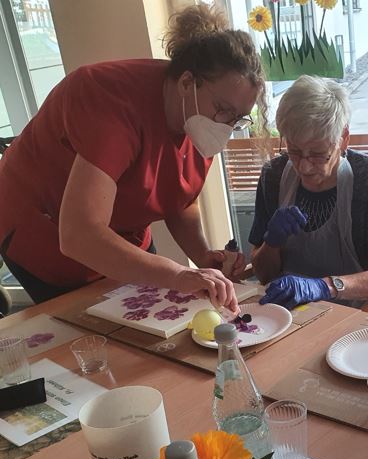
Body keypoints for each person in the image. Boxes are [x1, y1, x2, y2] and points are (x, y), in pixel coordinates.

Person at [0, 4, 265, 309]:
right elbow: (79, 235)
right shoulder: (110, 100)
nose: (227, 125)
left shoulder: (199, 116)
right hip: (42, 227)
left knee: (154, 316)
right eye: (224, 110)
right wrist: (178, 274)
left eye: (238, 118)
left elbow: (180, 199)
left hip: (120, 230)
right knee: (94, 338)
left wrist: (204, 257)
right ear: (186, 83)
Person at [249, 75, 368, 310]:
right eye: (295, 151)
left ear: (343, 139)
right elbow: (263, 275)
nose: (304, 166)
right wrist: (271, 243)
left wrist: (325, 287)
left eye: (318, 153)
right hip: (287, 311)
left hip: (355, 311)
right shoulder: (273, 176)